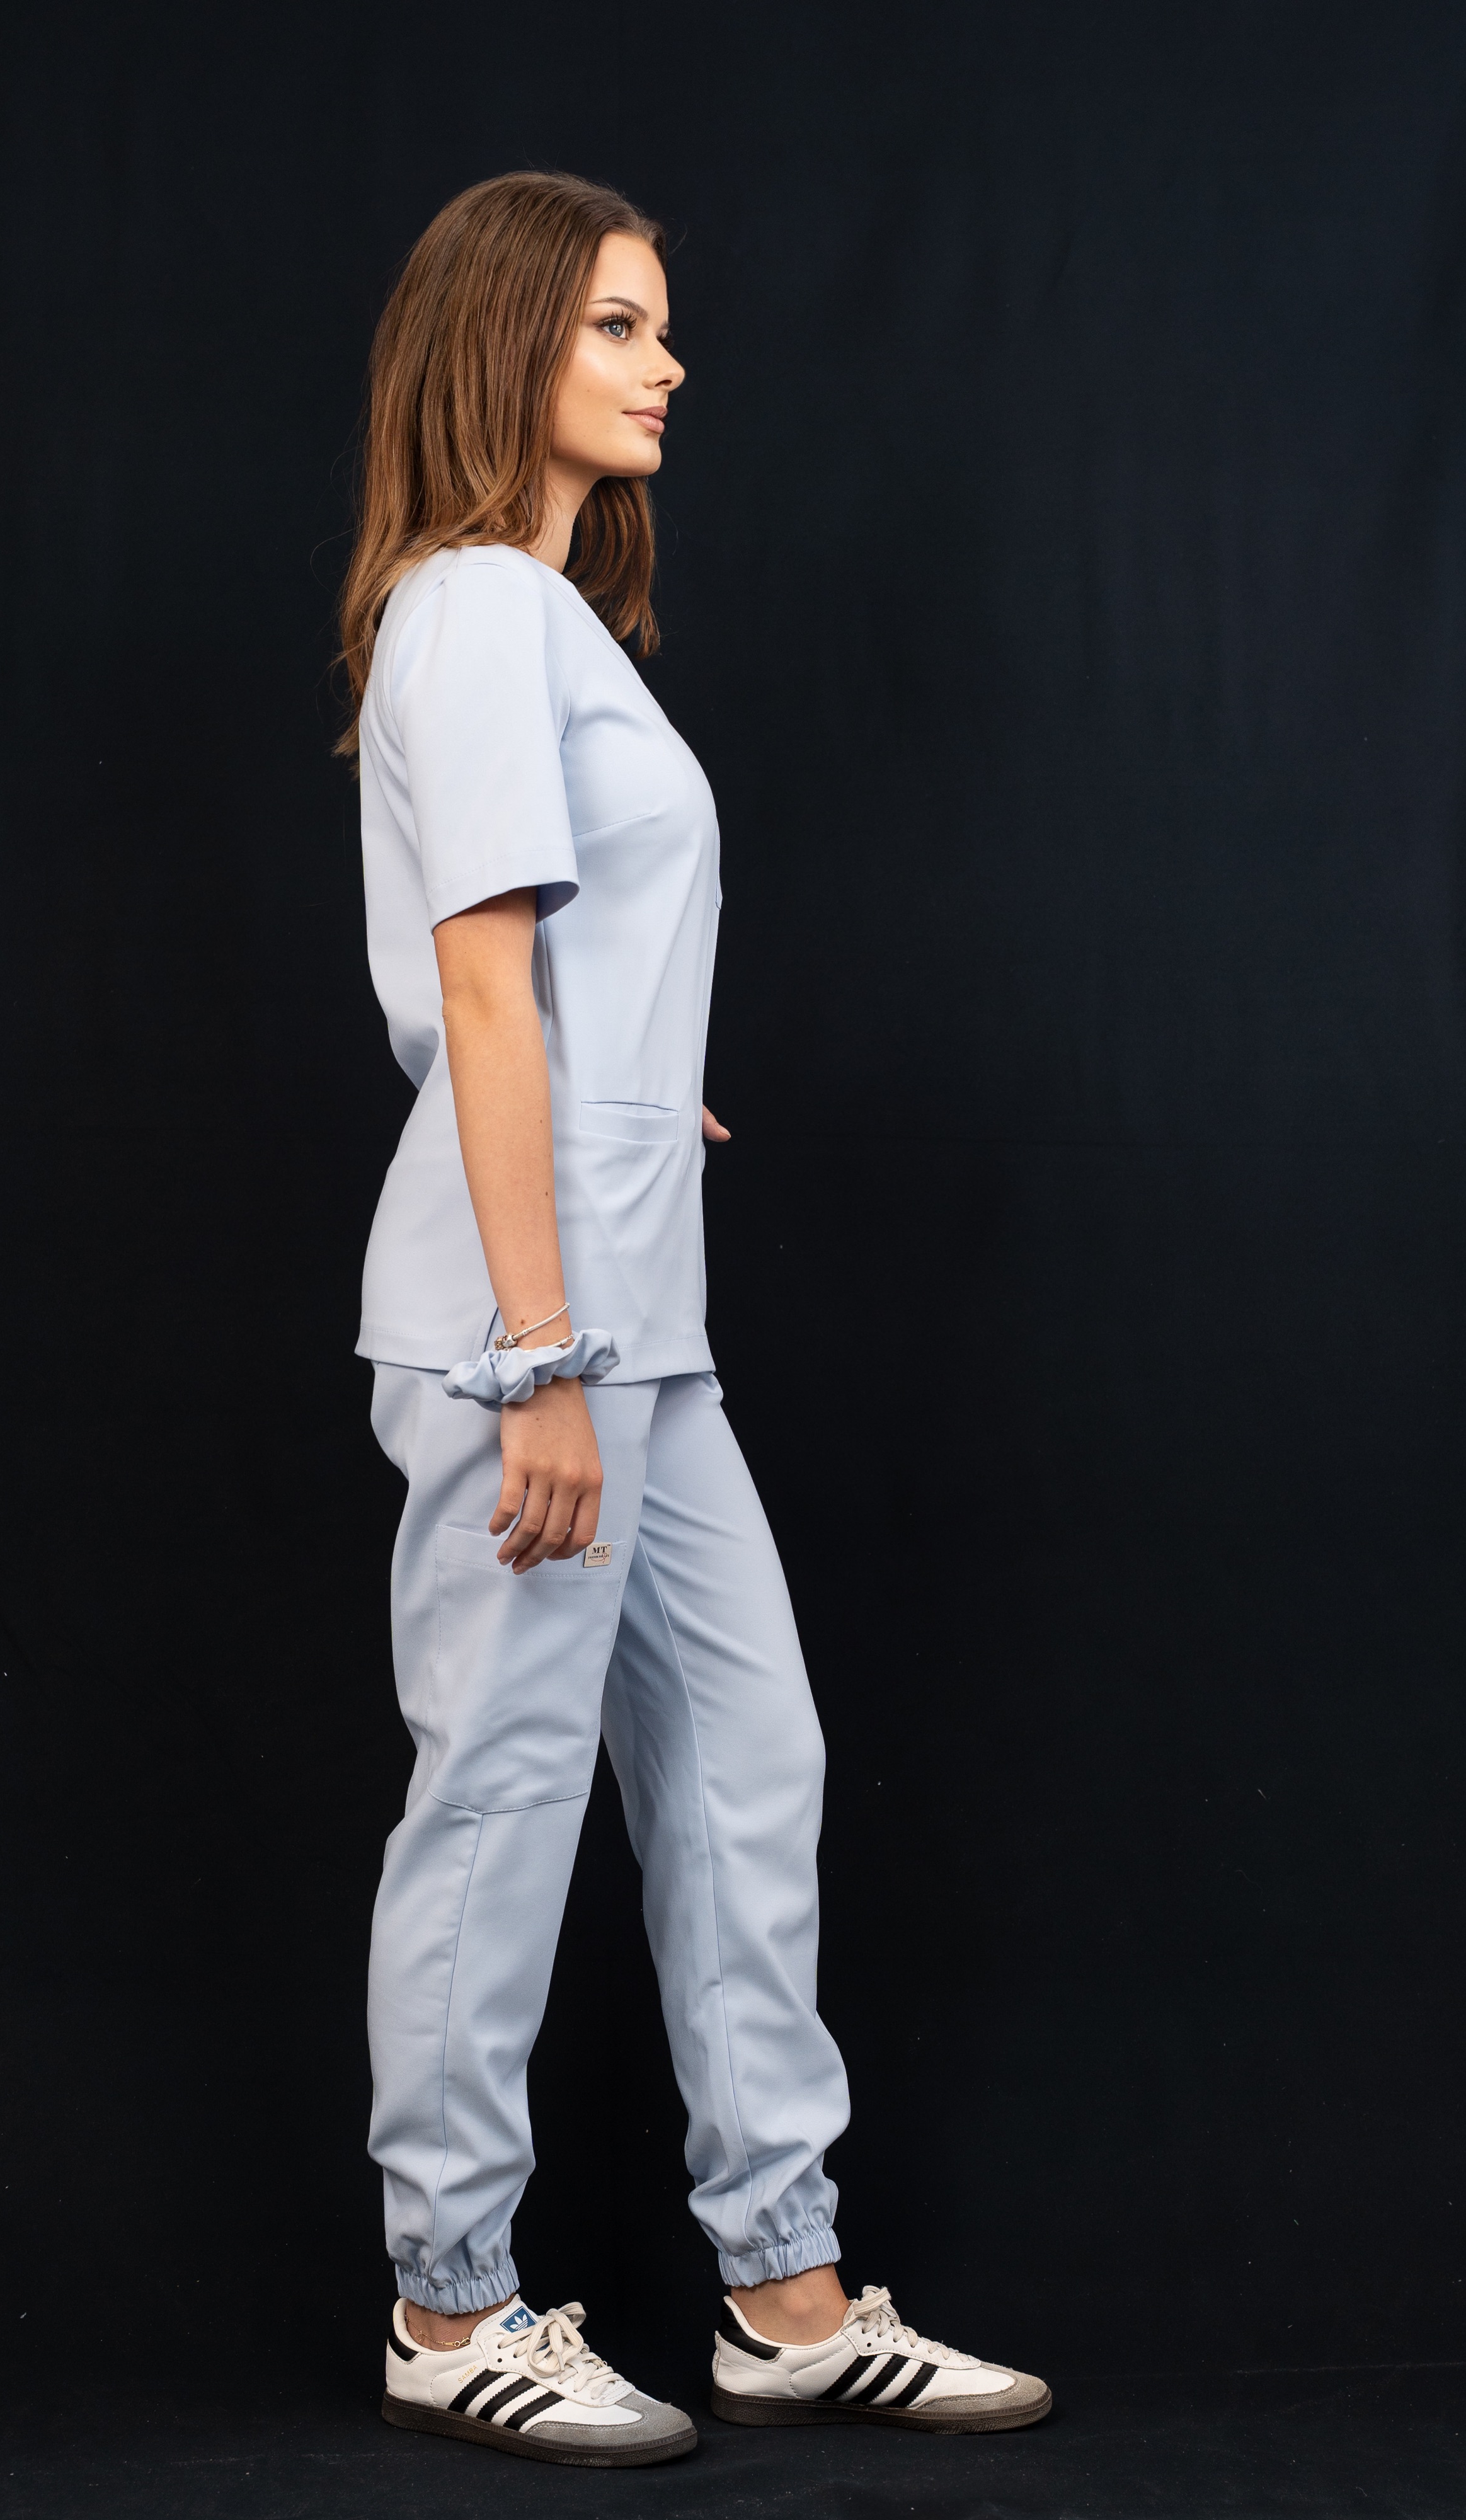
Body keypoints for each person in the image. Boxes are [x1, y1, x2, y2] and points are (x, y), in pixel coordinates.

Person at [337, 170, 1051, 2469]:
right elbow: (474, 993)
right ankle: (448, 2303)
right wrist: (539, 1348)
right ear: (505, 341)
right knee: (502, 1795)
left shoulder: (549, 622)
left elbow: (555, 986)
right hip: (527, 1334)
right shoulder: (473, 607)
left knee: (748, 1765)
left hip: (637, 1313)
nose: (666, 366)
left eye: (662, 327)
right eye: (618, 326)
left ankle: (783, 2290)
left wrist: (648, 1098)